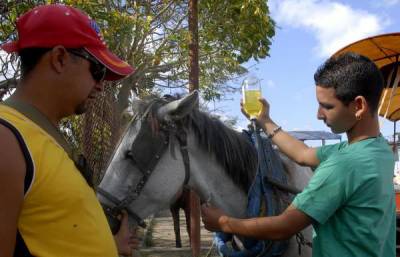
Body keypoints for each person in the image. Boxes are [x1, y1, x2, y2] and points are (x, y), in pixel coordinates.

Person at [201, 52, 396, 257]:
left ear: (358, 106)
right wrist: (265, 120)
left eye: (327, 106)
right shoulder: (377, 148)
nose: (318, 114)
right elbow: (303, 154)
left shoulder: (344, 164)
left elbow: (284, 226)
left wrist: (224, 222)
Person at [0, 4, 140, 257]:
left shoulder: (43, 135)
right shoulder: (6, 140)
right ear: (60, 58)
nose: (100, 86)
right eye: (97, 71)